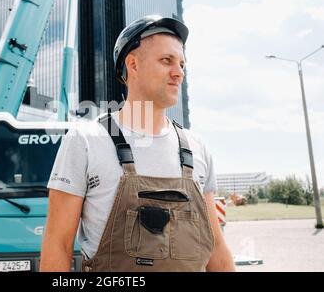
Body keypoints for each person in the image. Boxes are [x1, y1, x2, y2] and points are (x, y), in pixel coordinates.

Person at [40, 15, 235, 272]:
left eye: (182, 64)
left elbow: (216, 248)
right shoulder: (85, 140)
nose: (178, 73)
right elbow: (58, 246)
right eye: (166, 61)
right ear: (132, 64)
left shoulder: (196, 147)